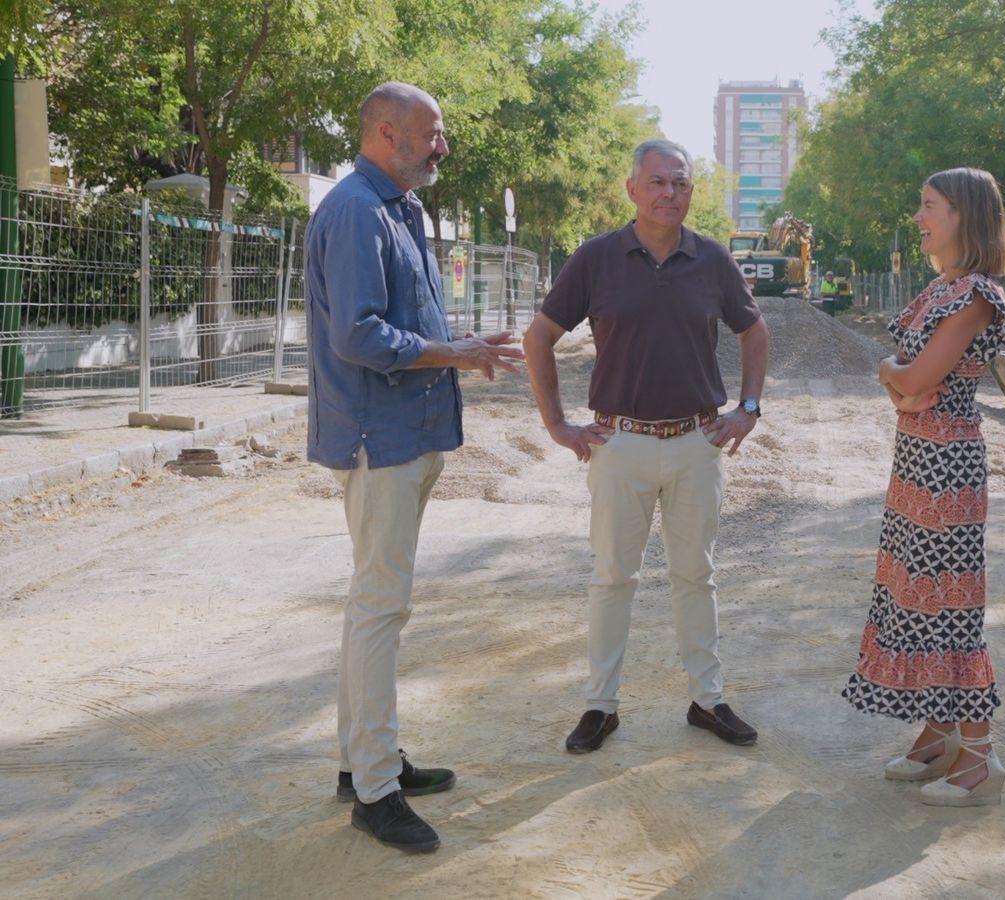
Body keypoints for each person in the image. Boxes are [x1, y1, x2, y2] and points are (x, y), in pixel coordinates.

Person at [305, 81, 524, 853]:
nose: (443, 146)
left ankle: (364, 761)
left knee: (376, 607)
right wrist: (451, 353)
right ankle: (374, 790)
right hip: (380, 440)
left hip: (411, 433)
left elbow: (406, 321)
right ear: (387, 133)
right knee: (379, 610)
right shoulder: (357, 211)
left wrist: (461, 342)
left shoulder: (401, 209)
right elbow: (359, 337)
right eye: (433, 133)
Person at [523, 138, 771, 755]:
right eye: (658, 182)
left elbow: (755, 331)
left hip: (696, 442)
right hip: (619, 443)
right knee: (613, 578)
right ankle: (600, 706)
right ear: (632, 189)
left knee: (697, 576)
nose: (670, 193)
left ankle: (707, 700)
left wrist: (748, 408)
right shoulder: (597, 259)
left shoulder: (712, 258)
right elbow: (539, 337)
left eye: (680, 183)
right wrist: (558, 425)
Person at [841, 167, 1005, 807]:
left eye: (928, 206)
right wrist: (900, 380)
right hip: (917, 459)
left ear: (962, 215)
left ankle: (979, 753)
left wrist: (894, 376)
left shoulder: (975, 296)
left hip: (946, 468)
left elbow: (915, 382)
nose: (919, 217)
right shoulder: (942, 288)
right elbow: (907, 384)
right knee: (914, 595)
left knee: (949, 602)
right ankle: (941, 730)